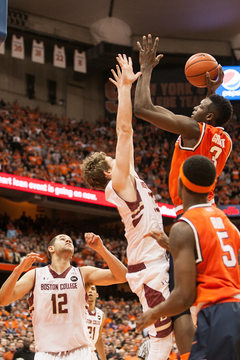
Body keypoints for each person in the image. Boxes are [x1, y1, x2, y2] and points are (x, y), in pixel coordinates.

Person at [134, 34, 233, 359]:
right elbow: (213, 114)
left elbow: (143, 108)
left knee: (182, 300)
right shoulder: (224, 139)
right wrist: (212, 92)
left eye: (199, 106)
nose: (194, 106)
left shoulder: (193, 130)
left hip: (190, 217)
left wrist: (146, 68)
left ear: (205, 119)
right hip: (212, 215)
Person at [82, 54, 172, 360]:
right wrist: (123, 88)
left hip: (152, 258)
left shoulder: (126, 176)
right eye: (112, 159)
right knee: (163, 334)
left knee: (180, 321)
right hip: (148, 266)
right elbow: (124, 131)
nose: (117, 157)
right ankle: (149, 346)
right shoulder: (118, 183)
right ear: (109, 171)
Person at [136, 155, 240, 360]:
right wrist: (172, 246)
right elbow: (212, 261)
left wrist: (153, 313)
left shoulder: (183, 227)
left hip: (218, 314)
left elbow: (184, 297)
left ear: (180, 183)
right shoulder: (226, 222)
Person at [0, 233, 127, 360]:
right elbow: (3, 300)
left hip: (80, 351)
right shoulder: (35, 275)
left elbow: (122, 276)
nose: (67, 240)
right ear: (51, 248)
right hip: (46, 352)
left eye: (70, 240)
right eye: (62, 239)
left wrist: (101, 249)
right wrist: (18, 270)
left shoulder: (83, 273)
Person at [86, 285, 106, 360]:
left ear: (97, 295)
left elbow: (99, 339)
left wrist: (104, 359)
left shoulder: (100, 314)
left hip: (91, 353)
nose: (90, 290)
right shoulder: (79, 310)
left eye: (93, 289)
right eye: (87, 289)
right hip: (79, 350)